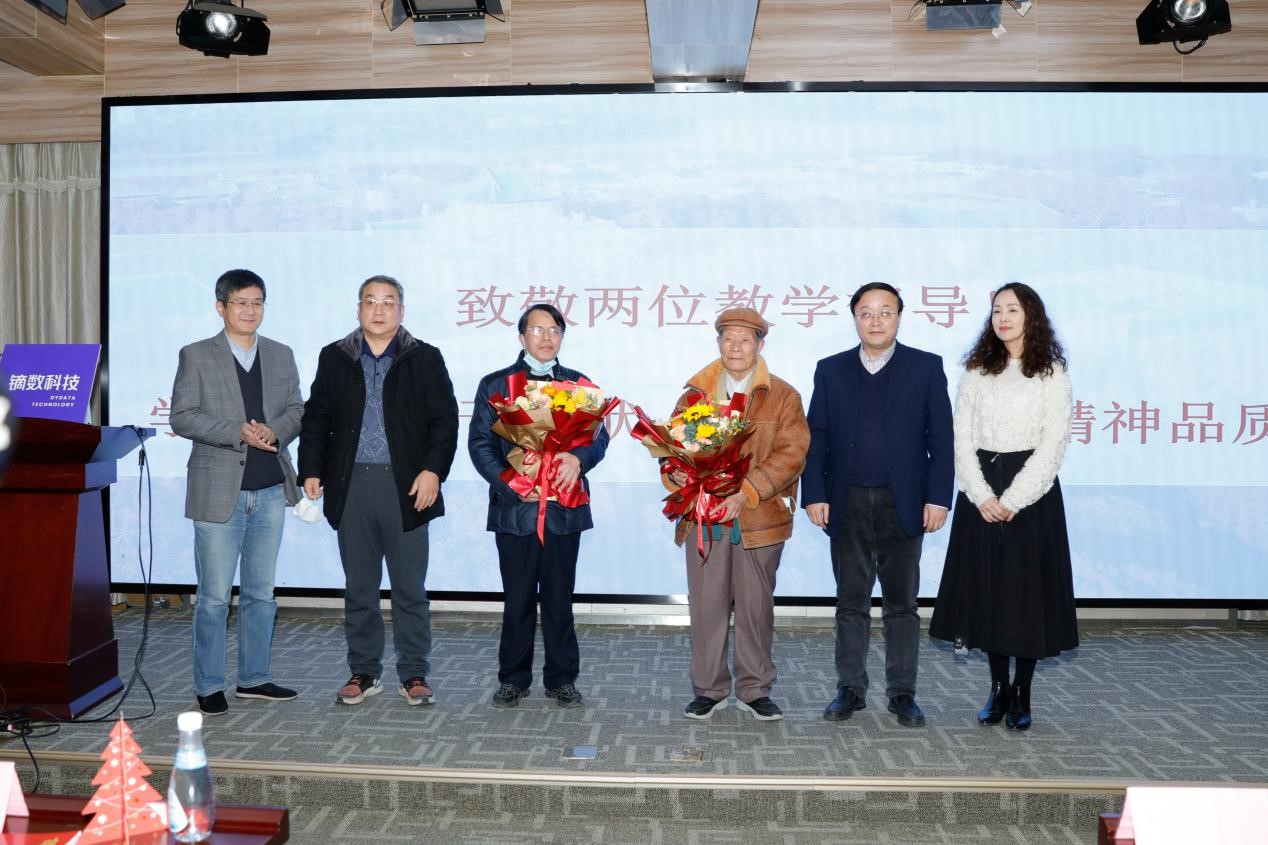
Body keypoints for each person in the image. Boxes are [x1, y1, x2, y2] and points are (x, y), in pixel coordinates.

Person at [299, 275, 459, 708]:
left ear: (401, 311)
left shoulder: (424, 357)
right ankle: (364, 671)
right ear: (359, 309)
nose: (379, 309)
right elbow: (317, 417)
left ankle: (414, 673)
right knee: (360, 588)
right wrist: (311, 468)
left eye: (389, 302)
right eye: (371, 301)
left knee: (409, 588)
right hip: (351, 485)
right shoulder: (335, 357)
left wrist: (433, 471)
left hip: (407, 486)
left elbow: (444, 421)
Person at [802, 282, 954, 727]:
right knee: (850, 601)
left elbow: (942, 441)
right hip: (845, 500)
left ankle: (903, 692)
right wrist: (814, 493)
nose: (875, 320)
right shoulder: (830, 369)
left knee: (901, 604)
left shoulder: (926, 367)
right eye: (866, 312)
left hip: (903, 502)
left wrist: (938, 498)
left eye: (885, 312)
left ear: (899, 317)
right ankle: (850, 688)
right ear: (854, 319)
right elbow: (818, 437)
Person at [929, 283, 1076, 731]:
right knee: (989, 593)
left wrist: (1013, 499)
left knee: (1026, 596)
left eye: (1013, 309)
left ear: (1031, 315)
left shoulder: (1051, 372)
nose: (1004, 318)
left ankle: (1023, 691)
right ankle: (997, 688)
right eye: (997, 310)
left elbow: (1054, 443)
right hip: (981, 492)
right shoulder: (977, 370)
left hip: (1032, 494)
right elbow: (961, 439)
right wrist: (981, 495)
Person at [665, 308, 809, 722]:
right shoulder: (694, 396)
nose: (736, 347)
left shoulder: (783, 395)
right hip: (704, 516)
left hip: (758, 517)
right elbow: (672, 447)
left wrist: (746, 492)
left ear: (760, 346)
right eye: (728, 339)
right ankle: (709, 689)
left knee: (754, 607)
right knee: (706, 606)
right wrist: (675, 472)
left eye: (745, 340)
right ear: (718, 344)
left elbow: (792, 454)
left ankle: (754, 689)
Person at [170, 269, 303, 716]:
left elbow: (296, 410)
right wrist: (236, 432)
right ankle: (209, 684)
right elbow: (182, 416)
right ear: (221, 306)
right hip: (217, 491)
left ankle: (254, 678)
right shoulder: (196, 355)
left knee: (261, 593)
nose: (250, 310)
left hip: (269, 490)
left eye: (257, 302)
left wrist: (275, 430)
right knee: (212, 598)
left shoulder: (281, 354)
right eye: (241, 302)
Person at [468, 304, 610, 709]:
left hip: (563, 508)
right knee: (517, 600)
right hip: (516, 511)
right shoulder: (496, 385)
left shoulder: (578, 385)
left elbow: (598, 437)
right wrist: (514, 482)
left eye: (554, 330)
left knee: (559, 598)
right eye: (537, 330)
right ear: (521, 336)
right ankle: (513, 678)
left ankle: (562, 678)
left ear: (562, 337)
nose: (546, 337)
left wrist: (578, 460)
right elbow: (479, 444)